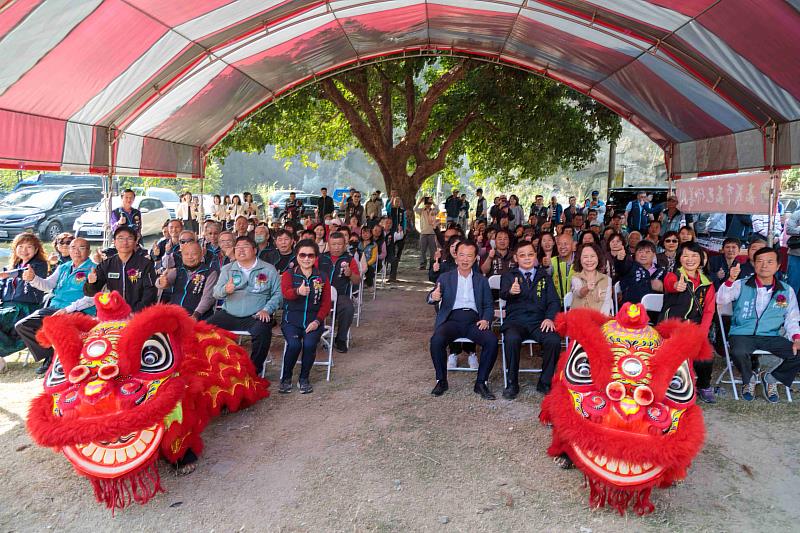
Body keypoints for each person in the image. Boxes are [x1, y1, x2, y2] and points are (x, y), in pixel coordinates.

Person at [716, 247, 800, 403]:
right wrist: (729, 280)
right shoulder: (741, 284)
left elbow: (792, 318)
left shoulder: (786, 290)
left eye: (769, 262)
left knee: (798, 352)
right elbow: (720, 300)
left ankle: (771, 378)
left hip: (770, 335)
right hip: (742, 333)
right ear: (753, 264)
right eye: (760, 261)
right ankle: (749, 379)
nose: (764, 266)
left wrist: (796, 337)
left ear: (778, 266)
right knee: (738, 351)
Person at [428, 240, 497, 399]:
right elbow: (431, 296)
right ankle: (441, 380)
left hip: (474, 321)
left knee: (492, 341)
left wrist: (486, 319)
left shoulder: (481, 280)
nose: (465, 259)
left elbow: (488, 305)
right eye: (462, 255)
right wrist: (434, 296)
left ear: (475, 259)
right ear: (456, 257)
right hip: (451, 320)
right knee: (437, 340)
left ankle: (481, 383)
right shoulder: (445, 278)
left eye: (469, 256)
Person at [15, 237, 96, 374]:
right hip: (55, 307)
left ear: (88, 251)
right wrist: (33, 278)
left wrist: (67, 309)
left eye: (81, 248)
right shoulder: (63, 267)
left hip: (79, 310)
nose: (76, 251)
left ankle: (68, 362)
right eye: (73, 248)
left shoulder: (94, 268)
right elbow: (47, 285)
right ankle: (49, 356)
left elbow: (91, 299)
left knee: (57, 326)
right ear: (69, 250)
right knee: (23, 325)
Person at [209, 236, 282, 373]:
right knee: (205, 329)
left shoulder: (268, 269)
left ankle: (253, 371)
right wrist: (226, 289)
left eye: (245, 247)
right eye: (237, 247)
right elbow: (216, 293)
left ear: (254, 250)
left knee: (262, 331)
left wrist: (267, 309)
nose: (241, 250)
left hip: (256, 314)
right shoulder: (227, 269)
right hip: (229, 313)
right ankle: (215, 367)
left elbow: (278, 294)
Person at [499, 241, 560, 398]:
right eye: (522, 255)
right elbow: (503, 294)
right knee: (511, 339)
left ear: (535, 257)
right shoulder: (509, 275)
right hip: (515, 321)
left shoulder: (544, 276)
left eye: (530, 254)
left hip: (538, 322)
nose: (527, 258)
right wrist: (511, 292)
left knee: (553, 340)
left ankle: (545, 382)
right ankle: (512, 383)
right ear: (516, 258)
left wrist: (549, 318)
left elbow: (554, 301)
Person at [659, 241, 716, 402]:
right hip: (672, 327)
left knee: (705, 355)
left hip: (695, 328)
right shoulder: (674, 275)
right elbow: (669, 284)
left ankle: (704, 386)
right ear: (680, 258)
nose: (690, 259)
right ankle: (671, 385)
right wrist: (677, 285)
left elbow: (709, 311)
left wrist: (702, 333)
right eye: (685, 255)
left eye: (694, 255)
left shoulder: (707, 283)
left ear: (702, 260)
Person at [278, 239, 332, 394]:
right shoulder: (289, 274)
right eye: (302, 255)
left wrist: (317, 321)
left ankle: (304, 378)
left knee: (309, 345)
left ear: (316, 257)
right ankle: (286, 378)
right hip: (291, 321)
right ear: (297, 256)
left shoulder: (322, 277)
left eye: (310, 255)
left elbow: (326, 304)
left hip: (313, 320)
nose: (306, 258)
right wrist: (297, 292)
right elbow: (285, 294)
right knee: (294, 345)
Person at [0, 234, 49, 369]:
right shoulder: (10, 266)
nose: (24, 250)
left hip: (25, 309)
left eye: (29, 247)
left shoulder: (40, 265)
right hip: (6, 308)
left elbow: (23, 272)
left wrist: (10, 274)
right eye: (20, 246)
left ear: (36, 249)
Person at [84, 226, 157, 311]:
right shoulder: (107, 264)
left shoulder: (145, 264)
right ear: (114, 242)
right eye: (120, 238)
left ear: (135, 241)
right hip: (114, 312)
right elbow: (91, 292)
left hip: (139, 313)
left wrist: (135, 311)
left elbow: (150, 293)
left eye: (129, 238)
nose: (125, 242)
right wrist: (91, 283)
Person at [156, 242, 218, 320]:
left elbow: (208, 298)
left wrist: (196, 315)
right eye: (186, 254)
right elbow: (160, 282)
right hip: (174, 315)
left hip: (198, 317)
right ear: (182, 256)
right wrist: (161, 282)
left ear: (201, 254)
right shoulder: (177, 271)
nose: (190, 257)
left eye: (194, 254)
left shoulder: (210, 273)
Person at [323, 232, 360, 353]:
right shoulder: (320, 258)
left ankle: (341, 339)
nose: (336, 247)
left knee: (348, 308)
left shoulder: (349, 260)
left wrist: (350, 274)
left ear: (345, 245)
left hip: (340, 296)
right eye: (333, 244)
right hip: (319, 295)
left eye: (339, 244)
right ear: (329, 244)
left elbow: (357, 280)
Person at [615, 240, 664, 305]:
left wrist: (663, 287)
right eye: (640, 251)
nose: (643, 255)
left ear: (654, 255)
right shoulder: (629, 266)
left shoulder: (662, 271)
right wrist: (620, 259)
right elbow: (620, 267)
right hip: (632, 309)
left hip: (656, 311)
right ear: (635, 253)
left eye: (647, 252)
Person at [569, 242, 612, 314]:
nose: (589, 260)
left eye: (592, 256)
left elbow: (606, 305)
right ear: (580, 259)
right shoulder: (575, 278)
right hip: (578, 320)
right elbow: (579, 293)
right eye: (585, 257)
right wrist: (587, 288)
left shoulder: (607, 279)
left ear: (598, 258)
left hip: (600, 320)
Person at [386, 195, 406, 281]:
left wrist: (404, 230)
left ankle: (394, 272)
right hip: (393, 232)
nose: (397, 203)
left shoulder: (402, 211)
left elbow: (404, 221)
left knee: (399, 250)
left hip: (400, 232)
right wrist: (391, 201)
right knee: (392, 250)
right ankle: (388, 270)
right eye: (395, 201)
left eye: (398, 201)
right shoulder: (391, 210)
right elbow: (387, 208)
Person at [415, 196, 438, 270]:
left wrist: (433, 202)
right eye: (426, 203)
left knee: (433, 250)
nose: (428, 205)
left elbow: (438, 209)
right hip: (423, 233)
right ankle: (422, 264)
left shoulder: (433, 210)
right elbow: (414, 209)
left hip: (432, 233)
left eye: (429, 203)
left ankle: (432, 264)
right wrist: (419, 201)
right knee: (422, 250)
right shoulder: (421, 211)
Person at [551, 233, 574, 302]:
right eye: (559, 244)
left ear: (573, 245)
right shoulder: (552, 261)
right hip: (556, 304)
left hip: (576, 304)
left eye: (565, 244)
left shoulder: (580, 261)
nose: (562, 247)